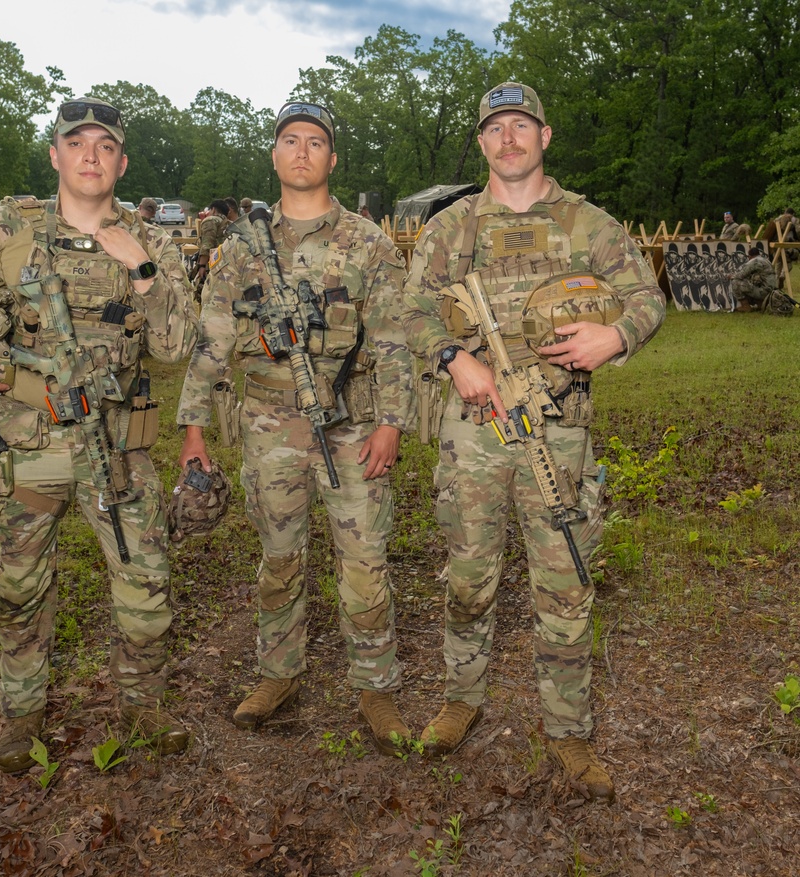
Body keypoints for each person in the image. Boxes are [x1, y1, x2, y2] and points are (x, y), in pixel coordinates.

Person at [0, 96, 199, 773]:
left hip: (116, 446)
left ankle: (144, 705)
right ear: (56, 153)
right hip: (25, 443)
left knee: (146, 583)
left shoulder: (154, 242)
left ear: (121, 159)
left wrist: (142, 269)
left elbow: (177, 345)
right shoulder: (4, 228)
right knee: (19, 588)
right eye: (77, 142)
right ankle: (22, 714)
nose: (91, 155)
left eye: (106, 145)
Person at [402, 82, 665, 800]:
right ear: (483, 143)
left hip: (561, 435)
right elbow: (413, 308)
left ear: (544, 136)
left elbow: (648, 298)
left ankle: (569, 730)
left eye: (521, 125)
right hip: (474, 433)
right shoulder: (451, 227)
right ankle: (462, 698)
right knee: (468, 574)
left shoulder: (590, 224)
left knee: (567, 580)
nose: (508, 139)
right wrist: (455, 358)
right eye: (495, 129)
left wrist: (616, 334)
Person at [176, 100, 416, 756]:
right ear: (275, 155)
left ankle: (376, 685)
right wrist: (193, 429)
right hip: (267, 422)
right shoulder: (240, 247)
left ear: (332, 158)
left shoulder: (369, 243)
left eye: (316, 141)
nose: (303, 151)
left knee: (364, 561)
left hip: (353, 421)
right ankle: (278, 673)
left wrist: (393, 423)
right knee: (279, 557)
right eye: (291, 140)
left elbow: (393, 340)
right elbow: (211, 340)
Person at [192, 199, 230, 296]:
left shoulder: (211, 220)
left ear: (213, 210)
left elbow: (207, 244)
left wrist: (201, 266)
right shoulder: (230, 223)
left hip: (213, 265)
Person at [730, 246, 778, 311]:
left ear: (750, 256)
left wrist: (731, 276)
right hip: (772, 292)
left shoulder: (754, 261)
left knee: (735, 282)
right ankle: (760, 304)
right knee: (752, 280)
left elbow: (741, 275)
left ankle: (745, 306)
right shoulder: (766, 260)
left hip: (763, 292)